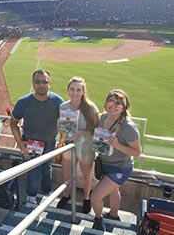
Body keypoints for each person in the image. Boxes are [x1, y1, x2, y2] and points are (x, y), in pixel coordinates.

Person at [90, 89, 141, 231]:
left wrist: (117, 145)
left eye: (118, 103)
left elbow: (137, 152)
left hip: (120, 168)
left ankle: (99, 220)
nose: (113, 105)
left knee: (95, 197)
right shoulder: (103, 117)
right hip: (105, 164)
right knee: (113, 191)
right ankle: (113, 215)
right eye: (110, 101)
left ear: (124, 107)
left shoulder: (128, 127)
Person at [10, 70, 64, 204]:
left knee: (47, 169)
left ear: (50, 83)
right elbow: (13, 124)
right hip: (30, 144)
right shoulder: (23, 102)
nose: (41, 85)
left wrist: (61, 143)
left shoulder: (58, 101)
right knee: (33, 171)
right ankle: (31, 195)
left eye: (44, 82)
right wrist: (21, 145)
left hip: (50, 143)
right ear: (32, 83)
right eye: (37, 82)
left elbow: (66, 125)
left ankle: (47, 190)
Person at [56, 77, 99, 213]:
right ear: (68, 90)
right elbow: (63, 130)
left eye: (78, 90)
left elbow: (96, 131)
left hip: (86, 146)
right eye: (72, 89)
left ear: (83, 91)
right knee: (66, 175)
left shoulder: (90, 107)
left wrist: (80, 132)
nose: (75, 93)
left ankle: (86, 198)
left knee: (86, 175)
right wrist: (60, 133)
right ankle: (66, 195)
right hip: (69, 144)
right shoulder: (63, 106)